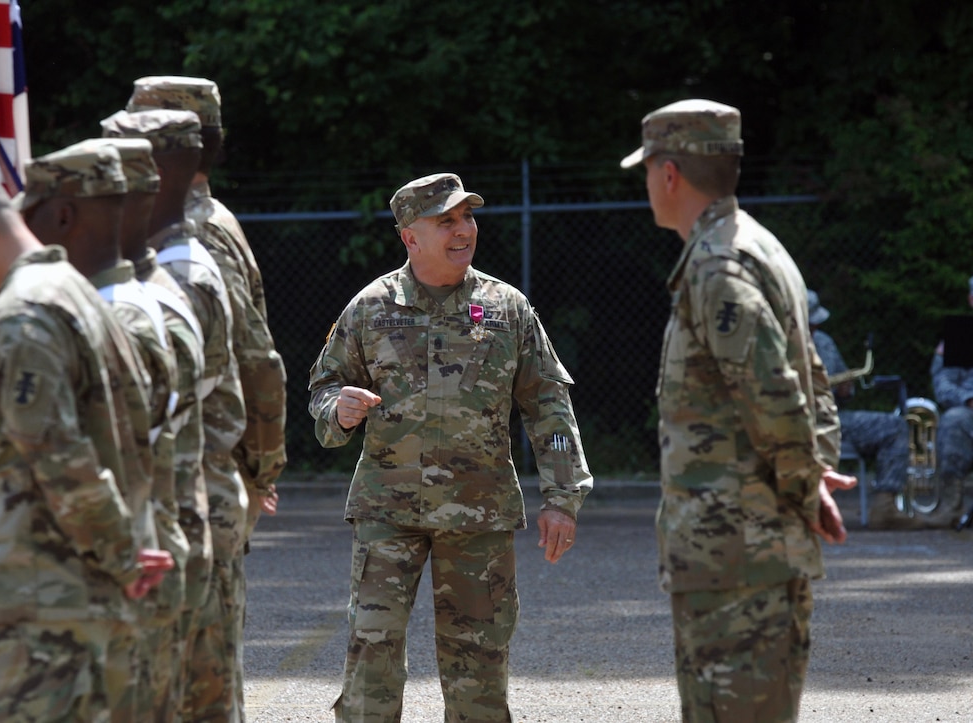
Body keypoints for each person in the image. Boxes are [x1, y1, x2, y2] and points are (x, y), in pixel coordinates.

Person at [0, 155, 173, 721]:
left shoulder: (19, 318)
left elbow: (65, 466)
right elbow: (76, 447)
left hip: (43, 628)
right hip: (82, 613)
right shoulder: (78, 294)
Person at [308, 172, 593, 722]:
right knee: (373, 655)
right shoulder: (371, 308)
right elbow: (324, 388)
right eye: (447, 221)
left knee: (479, 666)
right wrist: (336, 412)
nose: (464, 230)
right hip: (387, 512)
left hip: (478, 514)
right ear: (410, 237)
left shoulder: (507, 308)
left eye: (467, 216)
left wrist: (562, 497)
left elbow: (549, 405)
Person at [620, 99, 856, 722]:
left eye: (647, 169)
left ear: (669, 173)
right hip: (741, 554)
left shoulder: (718, 265)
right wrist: (813, 475)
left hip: (737, 560)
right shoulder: (756, 246)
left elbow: (776, 394)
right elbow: (816, 385)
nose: (646, 183)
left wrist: (807, 488)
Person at [17, 139, 191, 720]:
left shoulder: (117, 315)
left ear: (64, 216)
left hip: (118, 563)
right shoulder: (136, 298)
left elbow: (81, 466)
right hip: (143, 547)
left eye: (30, 213)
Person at [101, 108, 250, 721]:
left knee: (191, 686)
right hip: (196, 496)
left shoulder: (179, 267)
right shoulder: (182, 254)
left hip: (183, 499)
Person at [127, 75, 287, 543]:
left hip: (197, 481)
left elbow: (256, 360)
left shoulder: (195, 231)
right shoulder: (212, 216)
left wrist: (259, 471)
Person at [807, 289, 913, 529]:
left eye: (816, 323)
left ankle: (885, 506)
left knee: (894, 426)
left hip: (833, 417)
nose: (814, 328)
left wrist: (846, 391)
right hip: (795, 421)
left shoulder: (824, 341)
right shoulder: (773, 345)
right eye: (809, 323)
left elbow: (843, 390)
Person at [928, 275, 973, 527]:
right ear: (971, 300)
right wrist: (968, 399)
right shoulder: (962, 335)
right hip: (970, 414)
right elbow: (943, 385)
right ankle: (951, 505)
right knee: (954, 420)